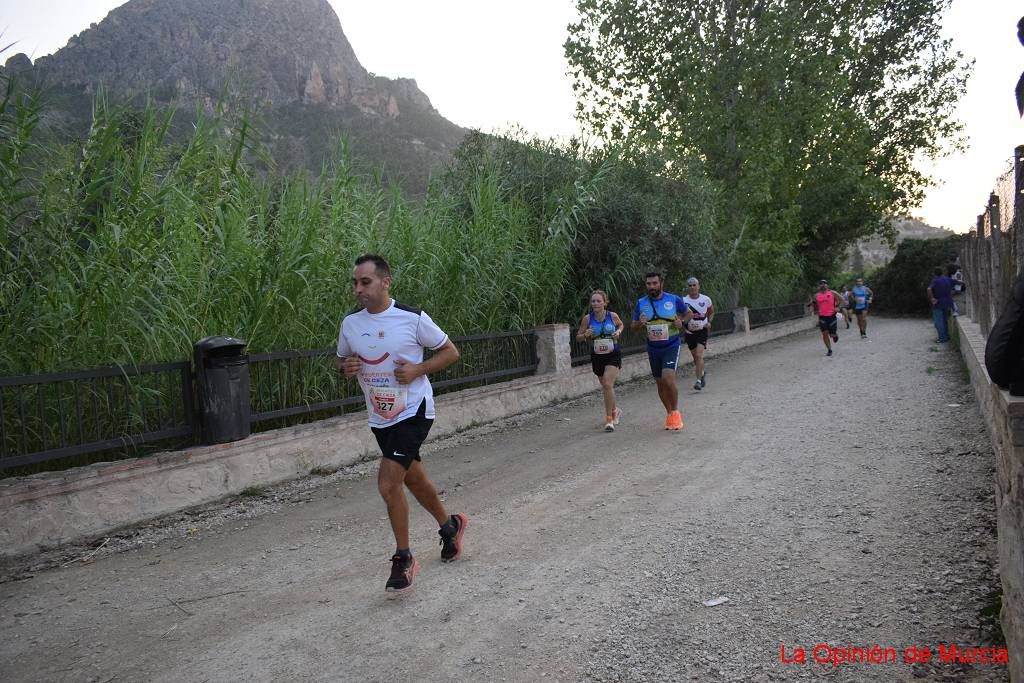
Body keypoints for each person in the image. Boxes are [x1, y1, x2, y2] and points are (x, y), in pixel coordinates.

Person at [335, 254, 467, 594]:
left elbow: (450, 352)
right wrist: (345, 367)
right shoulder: (351, 323)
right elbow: (342, 359)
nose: (358, 289)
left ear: (385, 282)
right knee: (414, 479)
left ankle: (404, 557)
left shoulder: (411, 318)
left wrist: (417, 370)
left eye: (365, 282)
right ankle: (450, 527)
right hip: (380, 415)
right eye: (355, 283)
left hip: (414, 410)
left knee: (388, 482)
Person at [631, 271, 692, 430]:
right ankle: (669, 413)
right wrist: (640, 323)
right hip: (653, 348)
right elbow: (633, 326)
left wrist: (682, 322)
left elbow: (688, 313)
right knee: (659, 383)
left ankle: (676, 412)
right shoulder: (641, 302)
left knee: (668, 379)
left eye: (654, 283)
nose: (651, 286)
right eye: (649, 284)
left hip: (671, 345)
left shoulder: (673, 299)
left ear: (661, 283)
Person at [576, 290, 625, 431]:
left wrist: (618, 332)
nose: (595, 303)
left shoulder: (612, 316)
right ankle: (616, 411)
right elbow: (578, 337)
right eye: (593, 301)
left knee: (608, 384)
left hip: (612, 354)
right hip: (597, 355)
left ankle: (609, 419)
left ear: (605, 302)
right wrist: (585, 335)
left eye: (598, 301)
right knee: (605, 386)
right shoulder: (587, 318)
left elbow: (621, 325)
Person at [682, 276, 714, 390]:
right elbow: (680, 315)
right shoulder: (683, 301)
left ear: (698, 286)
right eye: (690, 285)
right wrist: (682, 321)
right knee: (696, 358)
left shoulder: (706, 299)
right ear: (688, 287)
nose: (692, 287)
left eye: (694, 285)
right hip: (689, 332)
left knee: (699, 355)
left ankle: (698, 381)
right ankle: (703, 373)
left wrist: (709, 322)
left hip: (702, 331)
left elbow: (711, 312)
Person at [809, 280, 842, 356]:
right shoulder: (816, 295)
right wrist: (812, 308)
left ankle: (834, 335)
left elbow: (842, 300)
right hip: (822, 317)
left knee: (832, 334)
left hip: (832, 316)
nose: (823, 285)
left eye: (824, 283)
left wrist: (838, 307)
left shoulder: (832, 293)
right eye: (821, 284)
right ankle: (829, 349)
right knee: (824, 333)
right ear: (819, 286)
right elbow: (813, 303)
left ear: (827, 285)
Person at [927, 267, 954, 343]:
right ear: (942, 272)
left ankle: (942, 338)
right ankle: (946, 337)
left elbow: (929, 289)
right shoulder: (947, 279)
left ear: (935, 273)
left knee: (938, 322)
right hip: (948, 303)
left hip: (938, 303)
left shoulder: (935, 281)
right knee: (945, 321)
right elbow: (957, 282)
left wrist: (932, 298)